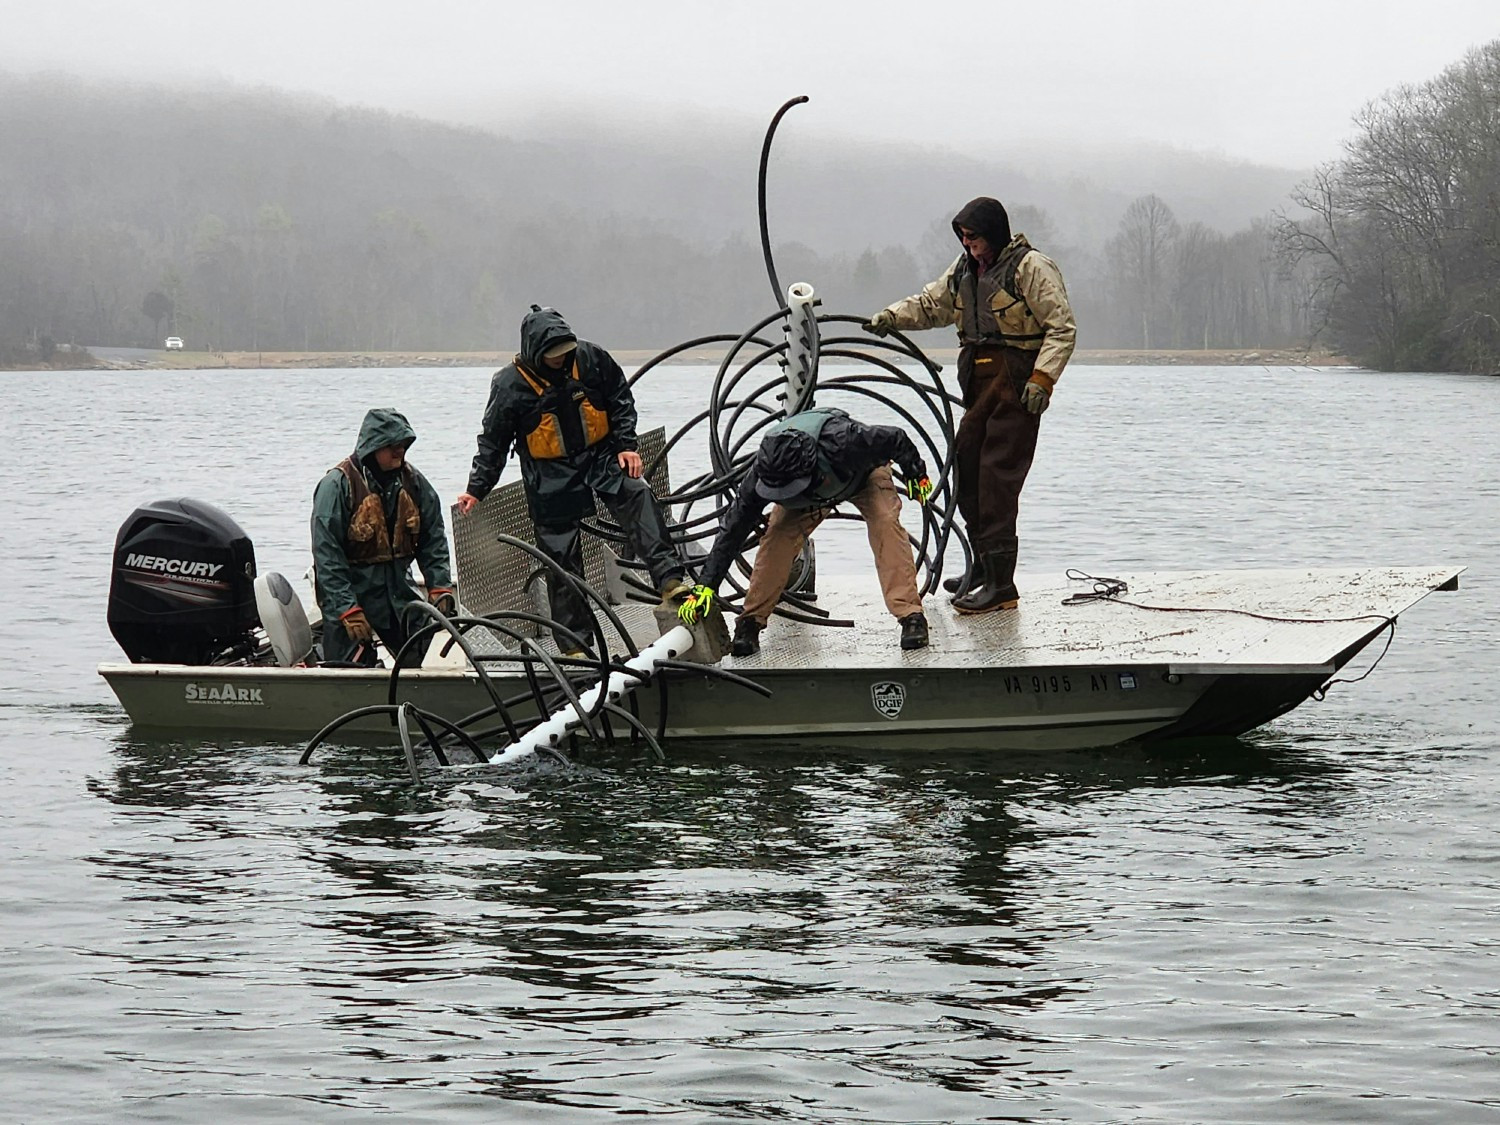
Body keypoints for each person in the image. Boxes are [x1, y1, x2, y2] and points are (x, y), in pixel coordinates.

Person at [864, 196, 1075, 614]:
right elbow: (930, 305)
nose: (968, 244)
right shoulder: (962, 269)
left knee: (998, 479)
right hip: (978, 381)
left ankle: (1002, 586)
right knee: (966, 468)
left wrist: (1043, 378)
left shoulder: (1032, 268)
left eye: (974, 236)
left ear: (993, 233)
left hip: (1017, 380)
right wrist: (890, 316)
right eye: (963, 237)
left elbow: (1061, 327)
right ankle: (982, 567)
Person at [456, 305, 690, 653]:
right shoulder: (508, 385)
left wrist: (627, 446)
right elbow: (493, 442)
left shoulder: (592, 358)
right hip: (550, 476)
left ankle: (670, 579)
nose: (561, 360)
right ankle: (575, 645)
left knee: (637, 494)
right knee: (560, 557)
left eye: (565, 353)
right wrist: (476, 488)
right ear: (535, 353)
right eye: (553, 356)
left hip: (600, 456)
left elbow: (620, 400)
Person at [678, 406, 934, 655]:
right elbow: (732, 530)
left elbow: (896, 438)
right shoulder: (762, 473)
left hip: (861, 478)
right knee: (776, 536)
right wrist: (706, 586)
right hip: (810, 496)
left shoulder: (846, 442)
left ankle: (911, 616)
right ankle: (750, 623)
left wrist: (916, 473)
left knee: (885, 522)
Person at [311, 407, 455, 667]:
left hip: (399, 591)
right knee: (346, 670)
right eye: (391, 445)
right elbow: (327, 557)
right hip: (352, 594)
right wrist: (347, 608)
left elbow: (434, 539)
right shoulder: (336, 486)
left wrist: (439, 586)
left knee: (426, 652)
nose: (399, 451)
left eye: (403, 444)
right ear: (372, 447)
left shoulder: (414, 483)